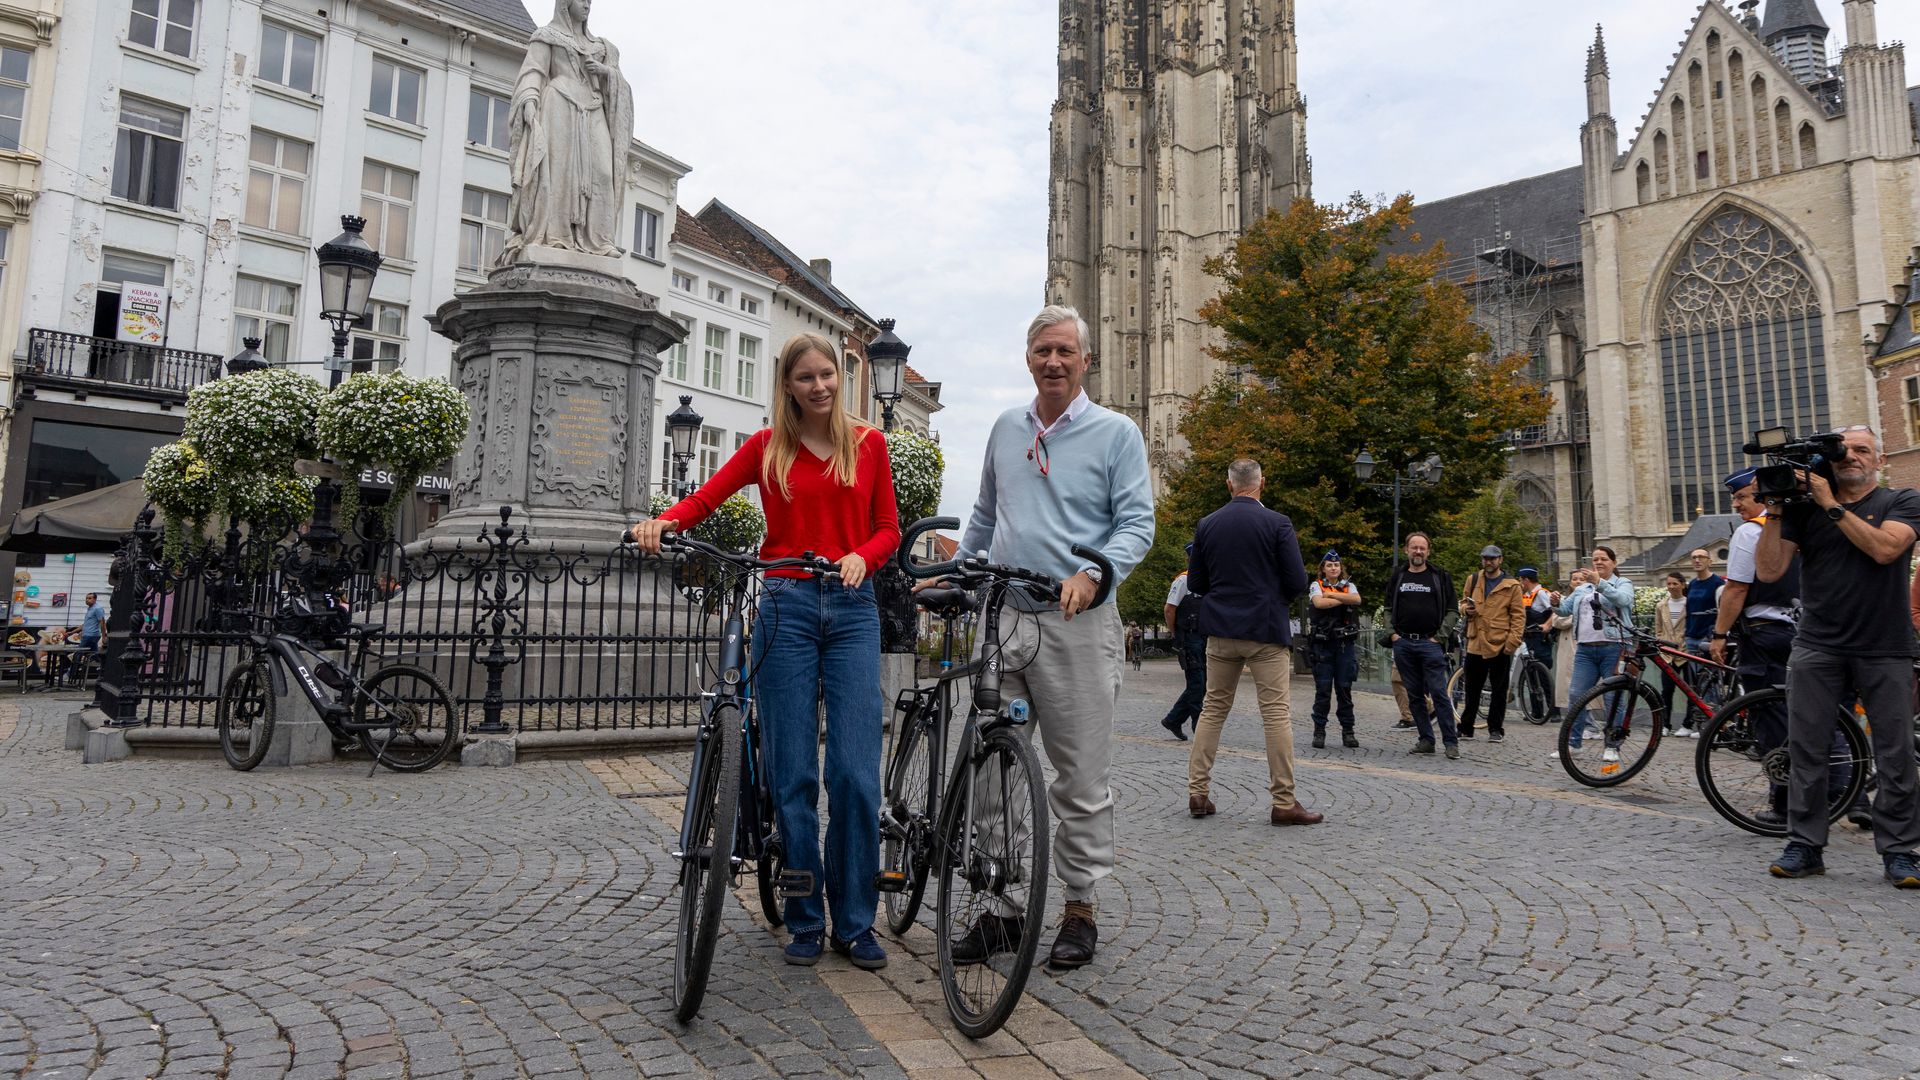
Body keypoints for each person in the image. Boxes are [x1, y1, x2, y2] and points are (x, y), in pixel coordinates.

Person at [630, 332, 901, 969]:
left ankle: (856, 921)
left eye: (827, 375)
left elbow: (888, 528)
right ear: (787, 386)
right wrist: (664, 522)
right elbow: (705, 498)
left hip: (853, 609)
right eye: (805, 378)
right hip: (785, 607)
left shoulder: (869, 445)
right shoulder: (766, 448)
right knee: (794, 772)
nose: (819, 387)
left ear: (842, 378)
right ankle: (805, 915)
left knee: (856, 776)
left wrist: (863, 555)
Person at [952, 305, 1155, 970]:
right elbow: (984, 516)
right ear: (1029, 357)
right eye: (1043, 350)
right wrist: (962, 575)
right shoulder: (1007, 428)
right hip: (1006, 618)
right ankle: (1000, 908)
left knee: (1079, 778)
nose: (1054, 362)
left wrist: (1095, 572)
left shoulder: (1116, 434)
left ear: (1086, 360)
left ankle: (1079, 908)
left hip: (1077, 624)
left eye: (1066, 351)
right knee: (994, 767)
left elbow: (1137, 524)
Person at [1752, 426, 1920, 887]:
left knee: (1895, 752)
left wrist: (1829, 503)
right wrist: (1777, 510)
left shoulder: (1901, 501)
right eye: (1843, 450)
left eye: (1862, 449)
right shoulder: (1802, 511)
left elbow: (1886, 550)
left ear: (1880, 460)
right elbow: (1768, 569)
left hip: (1885, 643)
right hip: (1817, 643)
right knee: (1807, 748)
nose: (1850, 457)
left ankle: (1900, 852)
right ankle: (1805, 845)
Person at [1185, 460, 1319, 824]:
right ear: (1263, 484)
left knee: (1212, 709)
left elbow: (1195, 583)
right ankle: (1284, 801)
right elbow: (1296, 580)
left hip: (1221, 632)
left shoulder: (1208, 525)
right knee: (1275, 714)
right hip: (1264, 629)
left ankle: (1198, 792)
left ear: (1229, 485)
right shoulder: (1278, 523)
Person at [505, 0, 635, 262]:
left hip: (594, 108)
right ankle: (556, 236)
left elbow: (622, 89)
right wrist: (529, 101)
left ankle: (599, 240)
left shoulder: (603, 47)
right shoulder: (546, 36)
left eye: (590, 1)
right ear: (565, 3)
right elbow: (533, 73)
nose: (587, 5)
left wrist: (606, 72)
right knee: (560, 172)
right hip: (559, 106)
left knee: (602, 170)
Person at [1712, 468, 1800, 828]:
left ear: (1760, 495)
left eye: (1741, 498)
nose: (1736, 505)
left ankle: (1785, 805)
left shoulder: (1751, 532)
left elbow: (1736, 589)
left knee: (1771, 717)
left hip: (1763, 634)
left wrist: (1719, 634)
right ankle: (1845, 791)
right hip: (1799, 630)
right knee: (1807, 711)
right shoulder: (1797, 526)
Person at [1556, 547, 1635, 764]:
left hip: (1614, 647)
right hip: (1585, 648)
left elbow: (1622, 600)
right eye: (1595, 559)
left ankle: (1612, 746)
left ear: (1614, 562)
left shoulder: (1623, 583)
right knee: (1577, 695)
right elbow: (1565, 610)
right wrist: (1555, 603)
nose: (1599, 562)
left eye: (1604, 559)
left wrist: (1600, 582)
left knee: (1613, 698)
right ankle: (1574, 744)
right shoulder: (1583, 588)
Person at [1385, 533, 1459, 759]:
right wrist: (1393, 635)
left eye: (1422, 548)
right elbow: (1388, 608)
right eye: (1414, 547)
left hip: (1430, 643)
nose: (1418, 552)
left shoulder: (1439, 576)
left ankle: (1450, 742)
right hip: (1404, 643)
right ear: (1406, 550)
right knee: (1414, 695)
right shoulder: (1398, 575)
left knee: (1438, 693)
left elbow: (1453, 610)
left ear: (1428, 551)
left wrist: (1440, 636)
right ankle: (1426, 739)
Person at [1456, 544, 1525, 744]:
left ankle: (1496, 729)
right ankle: (1466, 728)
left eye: (1492, 558)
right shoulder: (1474, 579)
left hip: (1500, 643)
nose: (1488, 562)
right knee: (1471, 688)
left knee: (1499, 690)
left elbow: (1518, 617)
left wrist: (1512, 643)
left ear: (1500, 560)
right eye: (1485, 558)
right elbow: (1462, 602)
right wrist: (1464, 610)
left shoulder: (1512, 585)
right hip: (1476, 640)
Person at [1305, 551, 1361, 750]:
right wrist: (1342, 598)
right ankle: (1319, 730)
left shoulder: (1349, 585)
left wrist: (1332, 595)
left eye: (1336, 565)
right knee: (1323, 691)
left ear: (1340, 567)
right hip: (1323, 646)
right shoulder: (1316, 585)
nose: (1333, 568)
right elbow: (1320, 603)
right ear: (1323, 569)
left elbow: (1356, 599)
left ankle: (1348, 731)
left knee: (1345, 690)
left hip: (1344, 645)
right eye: (1329, 565)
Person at [1160, 550, 1205, 740]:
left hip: (1204, 637)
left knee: (1202, 685)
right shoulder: (1184, 580)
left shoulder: (1207, 580)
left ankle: (1174, 719)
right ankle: (1199, 726)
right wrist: (1176, 633)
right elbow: (1169, 609)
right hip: (1189, 637)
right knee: (1197, 684)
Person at [1682, 548, 1723, 731]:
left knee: (1710, 682)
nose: (1697, 560)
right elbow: (1689, 612)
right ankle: (1705, 724)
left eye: (1701, 557)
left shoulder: (1717, 583)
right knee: (1698, 684)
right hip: (1692, 638)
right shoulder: (1692, 584)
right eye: (1694, 557)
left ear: (1709, 561)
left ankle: (1714, 724)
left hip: (1708, 638)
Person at [1516, 567, 1559, 722]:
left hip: (1540, 640)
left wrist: (1547, 625)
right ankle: (1536, 711)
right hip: (1528, 638)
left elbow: (1556, 611)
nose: (1520, 583)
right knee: (1531, 675)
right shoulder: (1527, 595)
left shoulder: (1542, 593)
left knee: (1543, 675)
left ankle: (1554, 711)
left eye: (1521, 580)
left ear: (1526, 580)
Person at [1652, 571, 1691, 735]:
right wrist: (1661, 642)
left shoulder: (1690, 603)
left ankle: (1688, 724)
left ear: (1682, 584)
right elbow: (1658, 628)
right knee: (1666, 690)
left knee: (1691, 690)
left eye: (1675, 583)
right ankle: (1665, 724)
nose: (1672, 587)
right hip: (1667, 654)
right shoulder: (1661, 605)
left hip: (1686, 652)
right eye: (1669, 584)